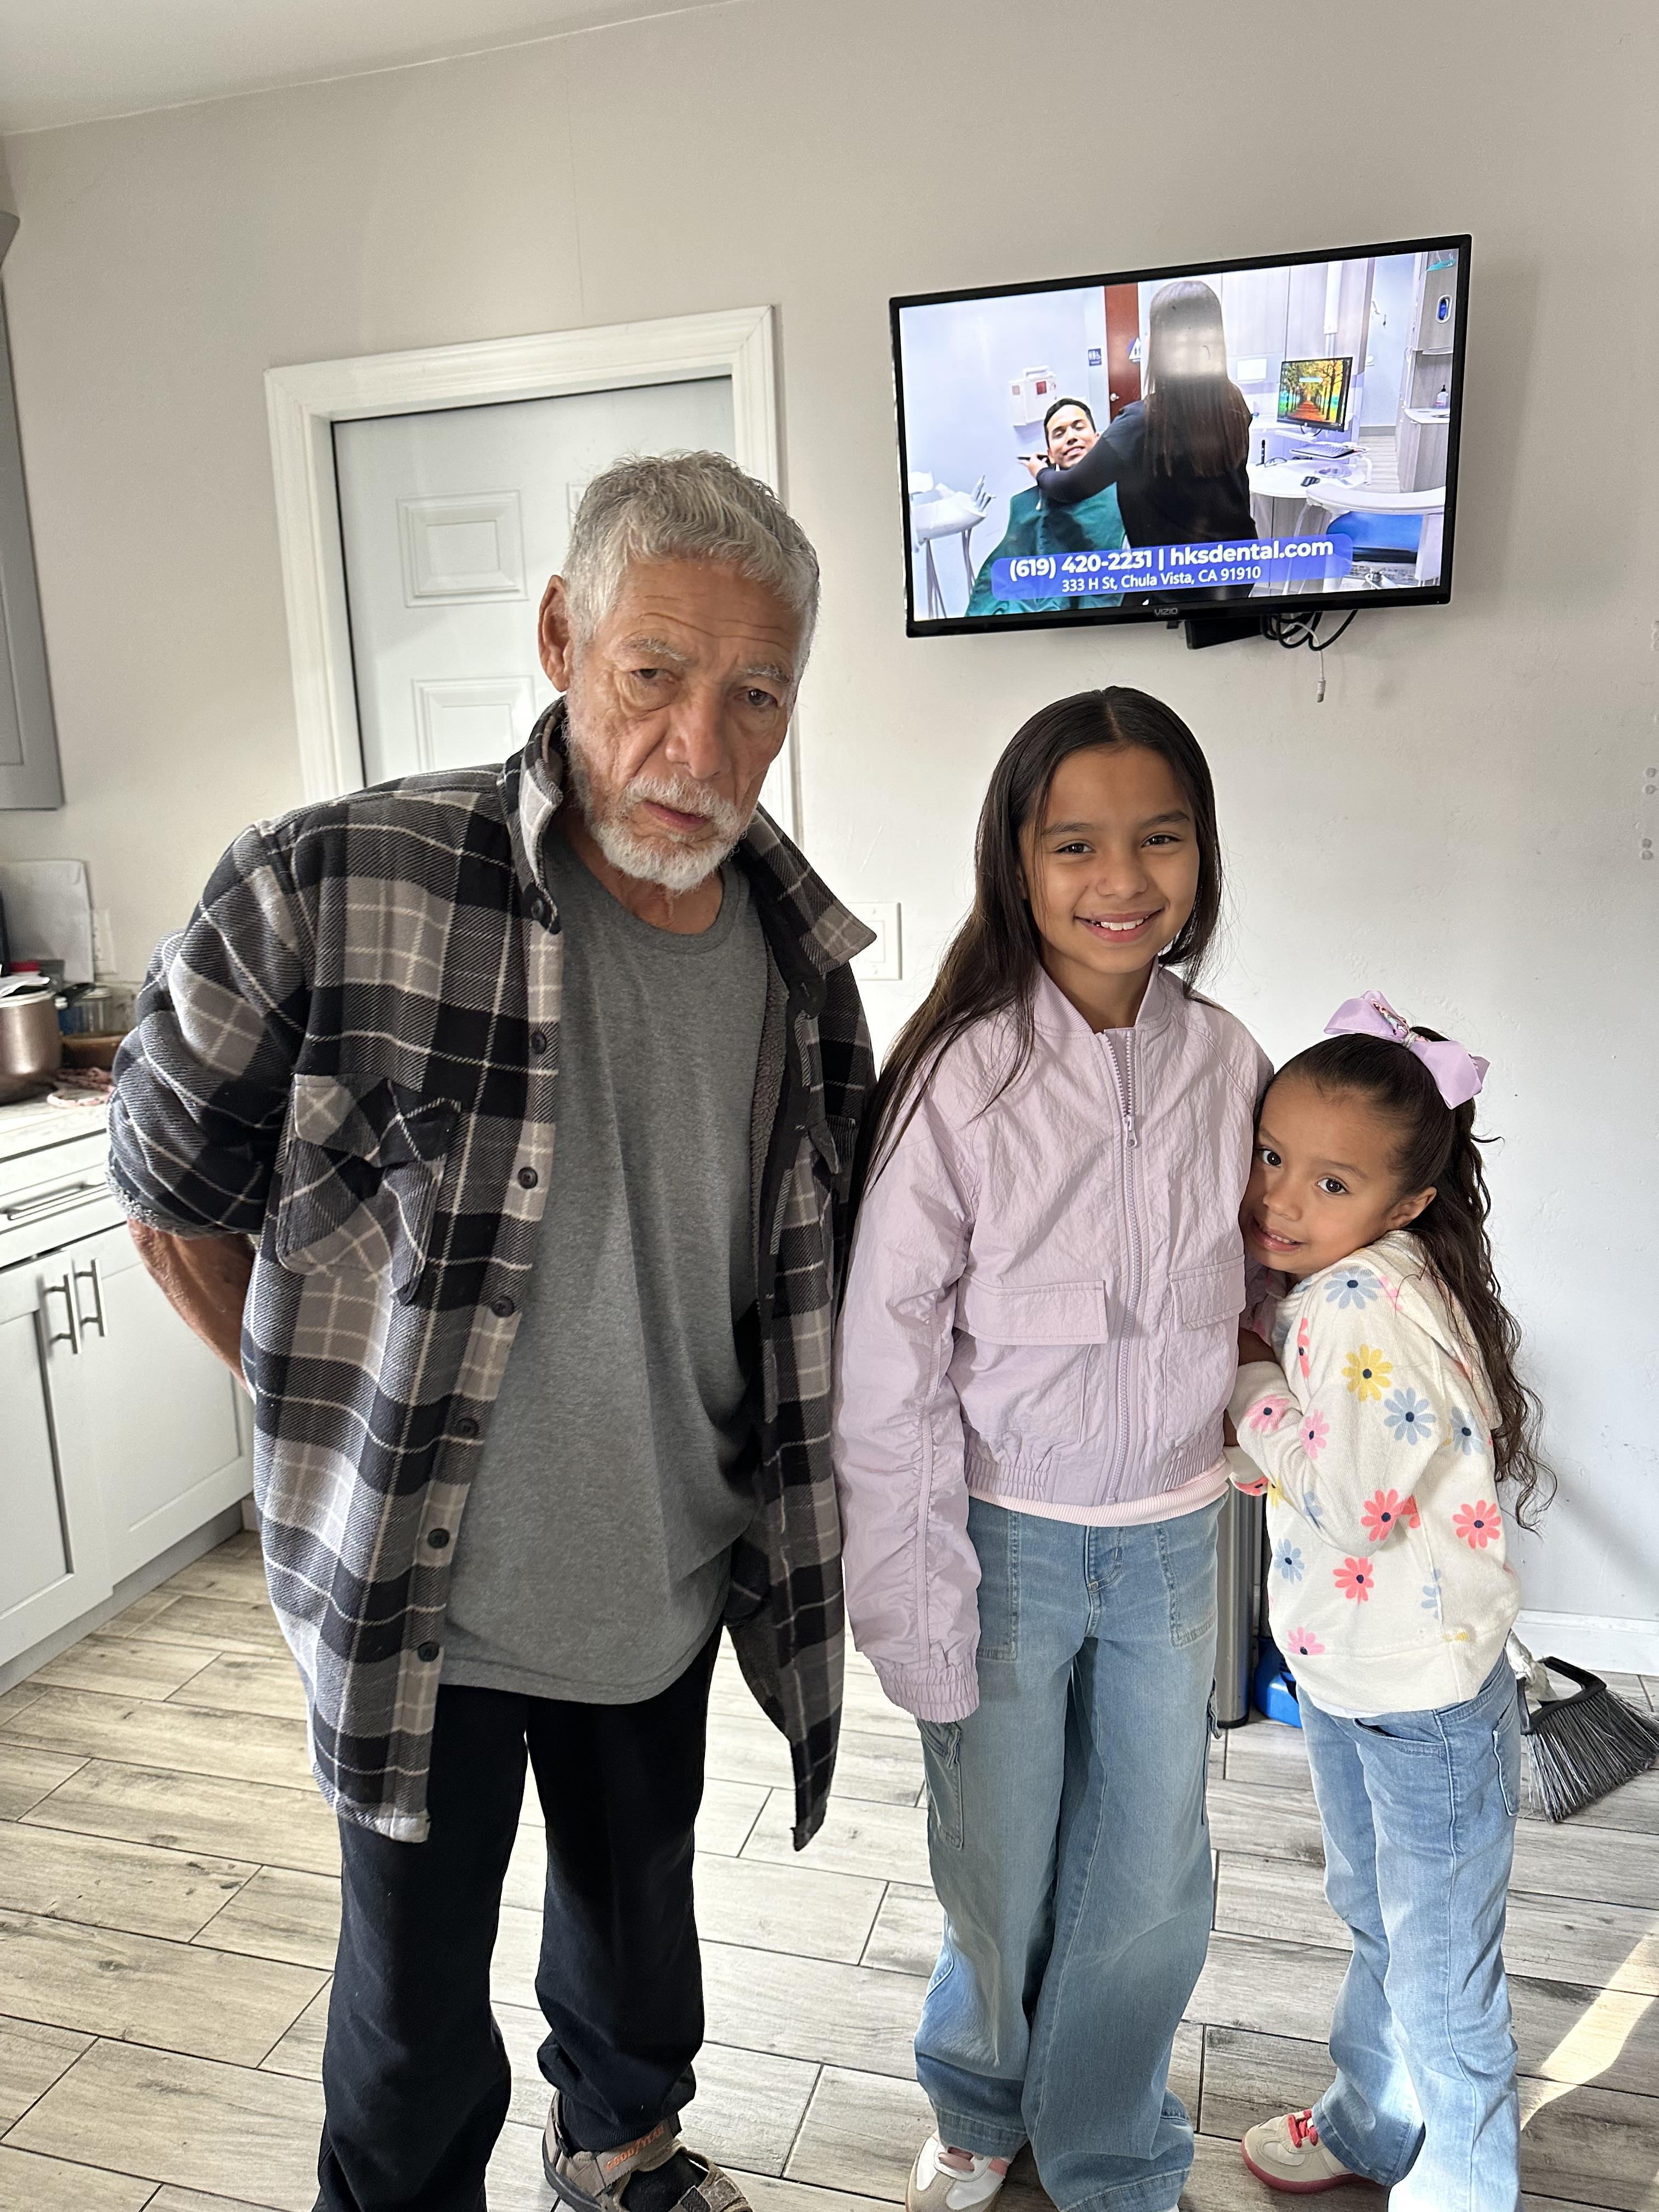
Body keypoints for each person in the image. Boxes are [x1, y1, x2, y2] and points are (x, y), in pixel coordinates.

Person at [106, 452, 876, 2212]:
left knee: (636, 1929)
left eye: (756, 695)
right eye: (653, 676)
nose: (701, 745)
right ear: (560, 639)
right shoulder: (333, 883)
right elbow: (166, 1187)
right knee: (407, 2013)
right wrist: (342, 1423)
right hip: (420, 1602)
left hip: (664, 1572)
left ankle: (620, 2147)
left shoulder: (800, 963)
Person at [833, 687, 1269, 2212]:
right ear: (1017, 864)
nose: (1122, 878)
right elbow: (883, 1370)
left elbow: (1266, 1274)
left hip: (1169, 1537)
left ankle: (1107, 2139)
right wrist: (908, 1600)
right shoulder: (962, 1077)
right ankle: (978, 2101)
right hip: (1003, 1538)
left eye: (1160, 838)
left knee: (1151, 1869)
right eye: (1076, 842)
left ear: (1203, 854)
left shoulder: (1229, 1060)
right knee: (999, 1857)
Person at [1224, 992, 1545, 2208]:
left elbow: (1350, 1500)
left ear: (1406, 1205)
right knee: (1382, 1924)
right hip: (1361, 1680)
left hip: (1422, 1701)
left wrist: (1247, 1387)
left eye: (1331, 1183)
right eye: (1271, 1157)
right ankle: (1372, 2127)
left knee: (1441, 1975)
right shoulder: (1352, 1284)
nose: (1281, 1200)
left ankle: (1467, 2187)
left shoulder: (1358, 1306)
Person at [1028, 279, 1255, 551]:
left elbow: (1069, 488)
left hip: (1182, 582)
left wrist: (1039, 470)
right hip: (1240, 560)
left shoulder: (1140, 424)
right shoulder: (1234, 401)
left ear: (1158, 348)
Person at [964, 397, 1127, 617]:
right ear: (1049, 454)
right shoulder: (1027, 504)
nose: (1071, 437)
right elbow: (999, 582)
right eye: (1059, 434)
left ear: (1098, 439)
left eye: (1079, 428)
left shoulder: (1125, 493)